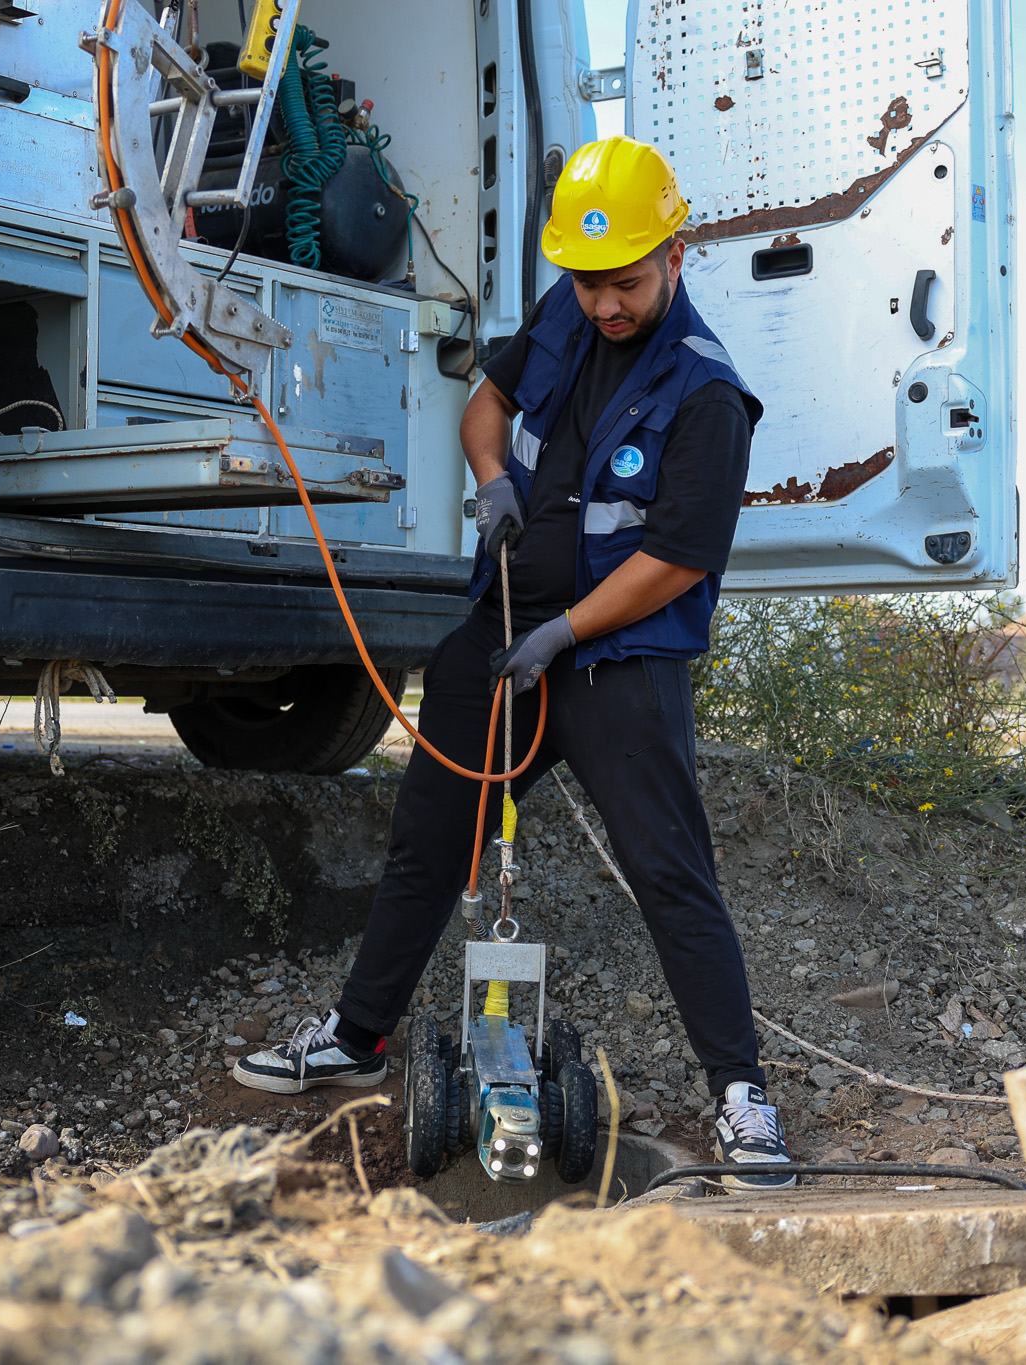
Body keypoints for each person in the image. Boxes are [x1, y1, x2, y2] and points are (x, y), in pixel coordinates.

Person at [234, 136, 794, 1189]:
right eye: (586, 284)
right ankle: (357, 1038)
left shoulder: (708, 396)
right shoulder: (562, 315)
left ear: (676, 254)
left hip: (615, 662)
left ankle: (741, 1096)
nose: (604, 306)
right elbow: (486, 408)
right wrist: (491, 479)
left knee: (671, 875)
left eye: (624, 282)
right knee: (425, 845)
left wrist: (566, 633)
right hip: (498, 632)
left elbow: (675, 560)